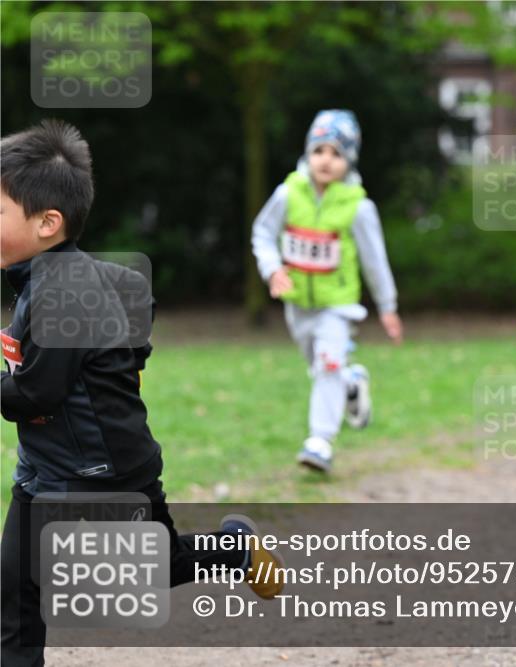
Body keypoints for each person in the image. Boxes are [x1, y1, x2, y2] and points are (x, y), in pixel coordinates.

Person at [1, 120, 283, 667]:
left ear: (47, 223)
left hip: (102, 474)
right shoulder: (45, 280)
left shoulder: (65, 293)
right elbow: (131, 302)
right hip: (45, 468)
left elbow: (35, 395)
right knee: (15, 589)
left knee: (158, 567)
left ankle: (235, 549)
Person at [251, 109, 403, 473]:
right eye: (319, 150)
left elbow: (375, 260)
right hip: (298, 306)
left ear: (349, 161)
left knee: (328, 365)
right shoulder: (288, 194)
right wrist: (272, 270)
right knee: (320, 367)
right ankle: (352, 382)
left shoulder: (358, 207)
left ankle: (320, 441)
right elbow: (262, 233)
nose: (326, 160)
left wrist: (387, 306)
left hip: (338, 305)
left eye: (336, 153)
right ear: (308, 153)